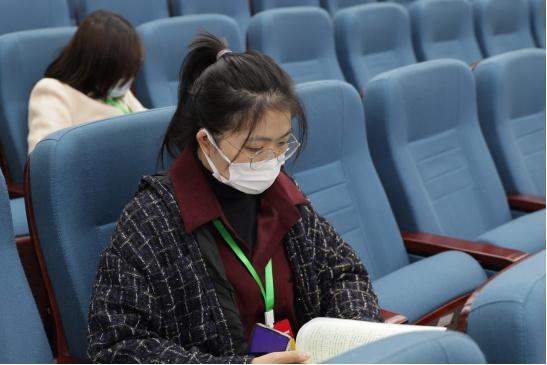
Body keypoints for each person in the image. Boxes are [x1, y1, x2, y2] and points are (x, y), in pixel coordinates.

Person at [87, 33, 381, 364]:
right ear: (206, 141)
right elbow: (117, 348)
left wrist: (351, 339)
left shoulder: (283, 196)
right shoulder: (151, 220)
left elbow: (344, 273)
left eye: (282, 143)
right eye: (255, 148)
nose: (272, 160)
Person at [27, 10, 146, 154]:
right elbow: (44, 159)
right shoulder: (52, 91)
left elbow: (148, 128)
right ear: (98, 64)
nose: (128, 79)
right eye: (121, 71)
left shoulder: (118, 91)